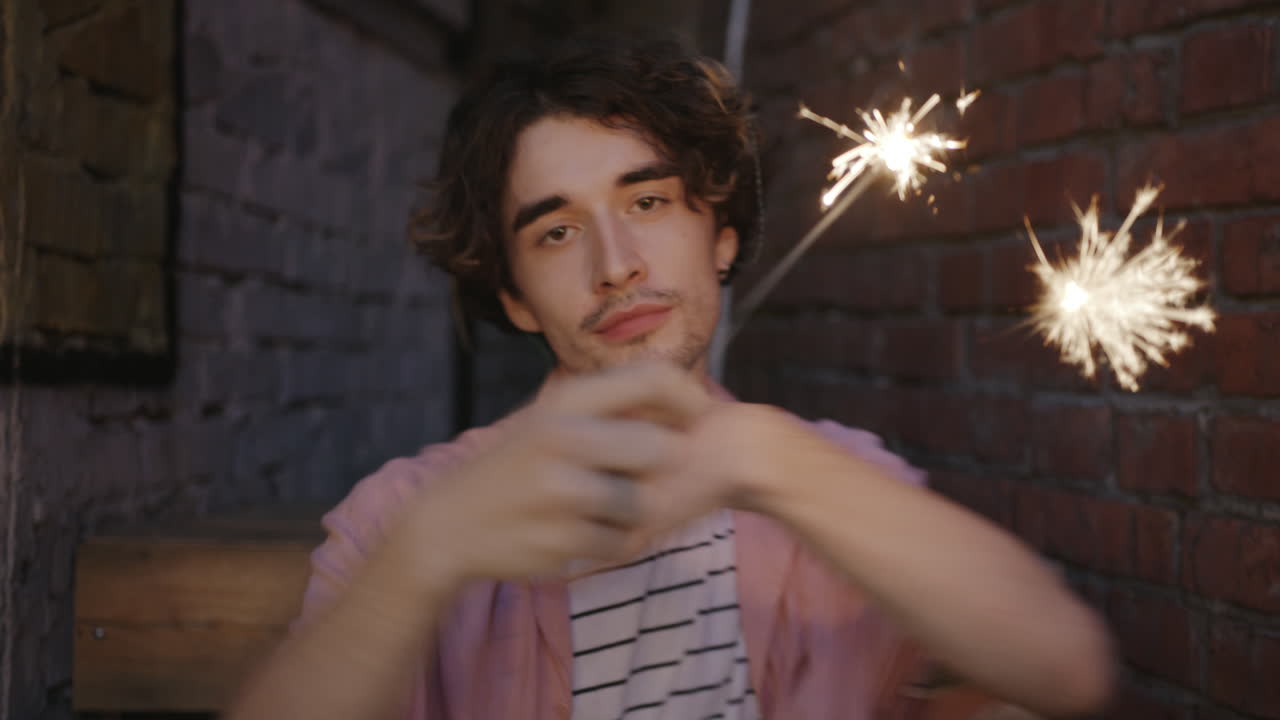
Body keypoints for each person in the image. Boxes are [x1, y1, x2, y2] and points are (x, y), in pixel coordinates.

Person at [228, 34, 1114, 720]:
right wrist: (424, 556)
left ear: (720, 234)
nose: (616, 265)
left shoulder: (819, 480)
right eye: (556, 232)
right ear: (517, 296)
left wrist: (762, 456)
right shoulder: (408, 512)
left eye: (647, 202)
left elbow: (1066, 669)